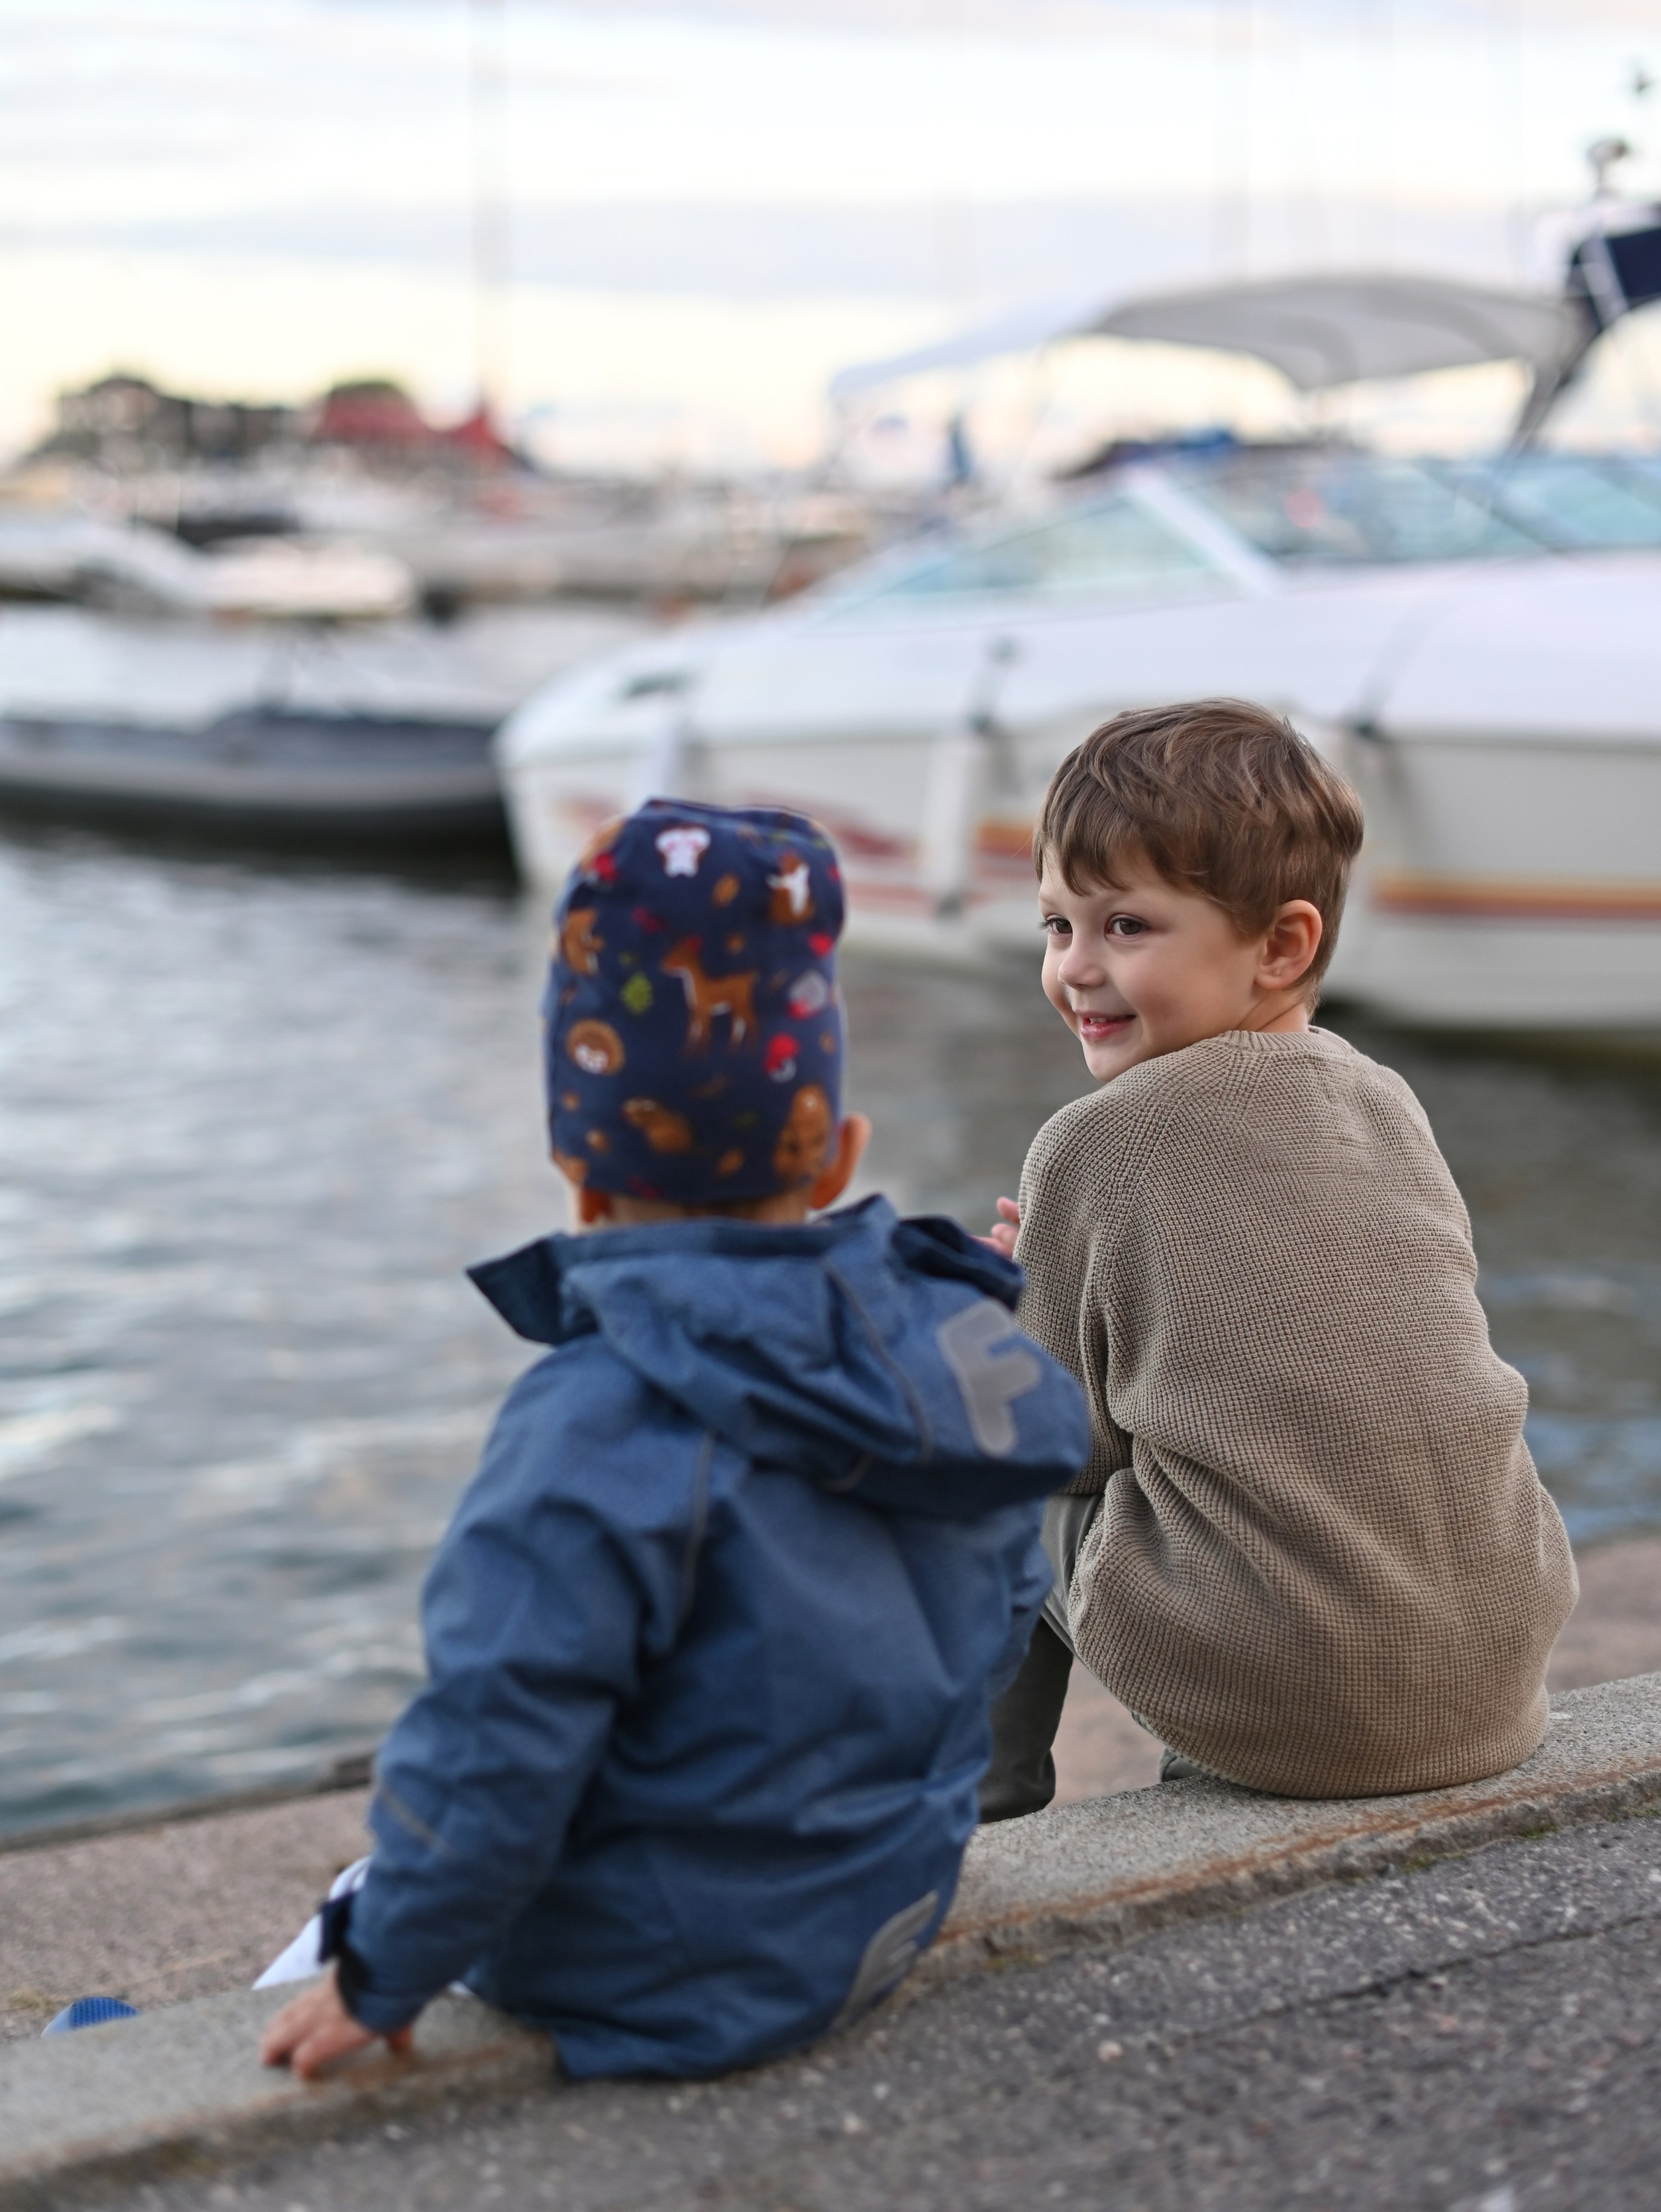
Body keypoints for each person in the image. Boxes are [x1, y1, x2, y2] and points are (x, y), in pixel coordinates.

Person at [260, 799, 1088, 2083]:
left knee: (355, 1906)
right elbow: (996, 1623)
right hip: (878, 1916)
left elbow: (496, 1734)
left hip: (654, 1975)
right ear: (838, 1155)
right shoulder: (958, 1360)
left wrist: (385, 1967)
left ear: (577, 1179)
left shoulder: (591, 1420)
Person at [980, 701, 1576, 1819]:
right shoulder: (1385, 1101)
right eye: (1058, 926)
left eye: (1127, 928)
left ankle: (982, 1810)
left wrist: (996, 1318)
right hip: (1497, 1674)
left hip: (1309, 1700)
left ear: (1282, 945)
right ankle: (1226, 1731)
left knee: (983, 1492)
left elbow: (1052, 1441)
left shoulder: (1094, 1141)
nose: (1076, 971)